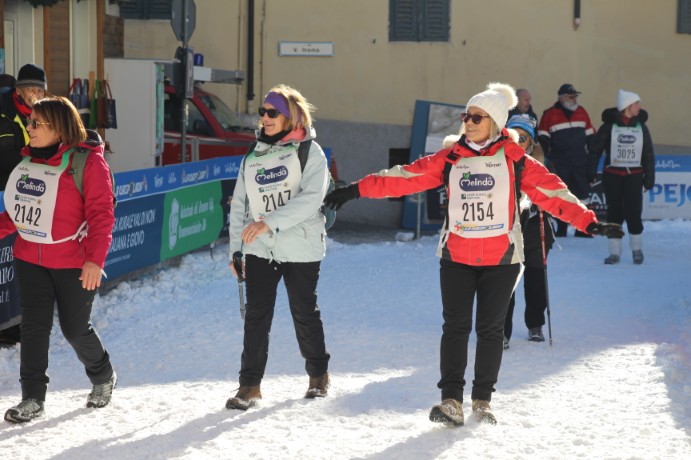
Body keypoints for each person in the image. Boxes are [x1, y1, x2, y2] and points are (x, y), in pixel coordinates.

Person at [324, 82, 623, 427]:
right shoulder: (451, 158)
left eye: (476, 117)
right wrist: (355, 190)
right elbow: (405, 177)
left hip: (502, 259)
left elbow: (552, 192)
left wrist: (590, 222)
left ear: (494, 122)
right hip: (457, 256)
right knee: (455, 328)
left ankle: (482, 400)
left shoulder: (515, 160)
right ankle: (451, 401)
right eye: (466, 116)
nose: (468, 122)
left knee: (490, 330)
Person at [0, 96, 117, 423]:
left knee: (74, 329)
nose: (29, 128)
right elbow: (19, 214)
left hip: (73, 262)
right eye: (29, 122)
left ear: (59, 128)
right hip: (29, 258)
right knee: (33, 328)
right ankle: (32, 399)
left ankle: (103, 375)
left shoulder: (88, 163)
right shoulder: (28, 161)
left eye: (36, 123)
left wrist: (95, 260)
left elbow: (102, 215)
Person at [226, 84, 331, 411]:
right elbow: (240, 204)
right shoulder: (254, 154)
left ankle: (318, 375)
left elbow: (310, 199)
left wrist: (269, 222)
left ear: (291, 117)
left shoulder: (310, 152)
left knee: (304, 312)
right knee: (256, 316)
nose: (265, 118)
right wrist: (235, 251)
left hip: (300, 247)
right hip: (260, 248)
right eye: (263, 112)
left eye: (273, 112)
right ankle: (249, 386)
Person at [0, 64, 48, 347]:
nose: (34, 95)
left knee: (26, 260)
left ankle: (20, 321)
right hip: (5, 194)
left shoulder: (47, 115)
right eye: (29, 89)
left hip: (34, 196)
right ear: (18, 90)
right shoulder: (3, 112)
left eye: (39, 90)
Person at [502, 115, 555, 348]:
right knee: (505, 283)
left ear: (531, 142)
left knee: (535, 280)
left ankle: (535, 325)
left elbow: (557, 193)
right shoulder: (497, 162)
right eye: (513, 136)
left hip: (535, 228)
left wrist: (545, 203)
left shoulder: (541, 164)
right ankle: (502, 331)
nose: (517, 141)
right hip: (506, 230)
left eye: (522, 138)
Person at [588, 90, 655, 265]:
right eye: (636, 103)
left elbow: (648, 153)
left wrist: (649, 178)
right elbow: (595, 150)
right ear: (628, 106)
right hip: (613, 176)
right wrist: (591, 172)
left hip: (634, 176)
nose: (639, 107)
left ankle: (637, 249)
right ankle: (614, 252)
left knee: (634, 213)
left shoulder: (641, 126)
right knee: (614, 213)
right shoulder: (609, 126)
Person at [538, 83, 596, 237]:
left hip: (580, 161)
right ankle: (561, 228)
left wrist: (592, 160)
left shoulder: (582, 112)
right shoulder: (550, 115)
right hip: (559, 163)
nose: (575, 99)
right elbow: (543, 141)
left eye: (575, 96)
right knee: (562, 195)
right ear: (562, 98)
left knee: (583, 195)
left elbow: (592, 138)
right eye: (571, 96)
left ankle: (583, 229)